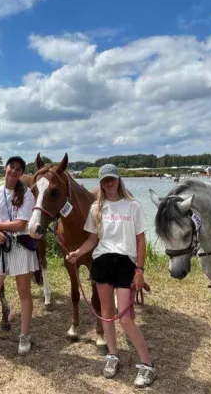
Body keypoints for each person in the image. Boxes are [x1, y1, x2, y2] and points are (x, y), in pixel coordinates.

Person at [65, 164, 156, 387]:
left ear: (118, 180)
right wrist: (78, 252)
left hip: (125, 264)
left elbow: (140, 240)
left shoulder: (133, 206)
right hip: (102, 262)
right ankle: (113, 356)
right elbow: (92, 240)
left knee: (125, 318)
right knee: (106, 314)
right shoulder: (97, 209)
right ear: (101, 183)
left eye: (112, 179)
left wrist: (140, 271)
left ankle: (147, 364)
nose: (109, 183)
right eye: (105, 180)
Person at [0, 156, 40, 357]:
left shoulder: (27, 194)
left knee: (24, 292)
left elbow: (21, 224)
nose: (14, 171)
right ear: (5, 168)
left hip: (20, 245)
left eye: (19, 169)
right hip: (0, 247)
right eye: (12, 166)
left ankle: (24, 335)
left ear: (22, 173)